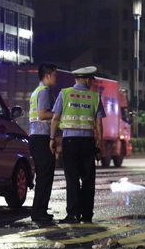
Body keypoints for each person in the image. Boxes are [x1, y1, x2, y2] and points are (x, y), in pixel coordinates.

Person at [50, 66, 106, 223]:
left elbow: (55, 118)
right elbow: (99, 124)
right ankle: (87, 214)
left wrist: (52, 139)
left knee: (72, 178)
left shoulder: (65, 93)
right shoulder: (94, 97)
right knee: (88, 180)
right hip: (88, 143)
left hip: (70, 142)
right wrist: (99, 145)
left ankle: (73, 214)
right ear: (88, 80)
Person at [29, 63, 58, 222]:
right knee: (45, 176)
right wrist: (58, 114)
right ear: (47, 76)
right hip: (42, 137)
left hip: (36, 136)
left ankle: (39, 211)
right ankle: (39, 212)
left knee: (43, 176)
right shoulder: (45, 91)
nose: (56, 78)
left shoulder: (36, 91)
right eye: (55, 75)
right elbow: (42, 114)